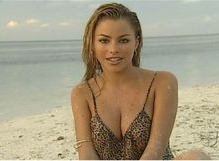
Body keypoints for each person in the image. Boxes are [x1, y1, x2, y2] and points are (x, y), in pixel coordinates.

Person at [71, 2, 210, 160]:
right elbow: (87, 155)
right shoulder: (82, 93)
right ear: (92, 44)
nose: (113, 49)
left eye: (123, 40)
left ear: (136, 42)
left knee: (196, 156)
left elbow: (154, 152)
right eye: (104, 41)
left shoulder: (162, 83)